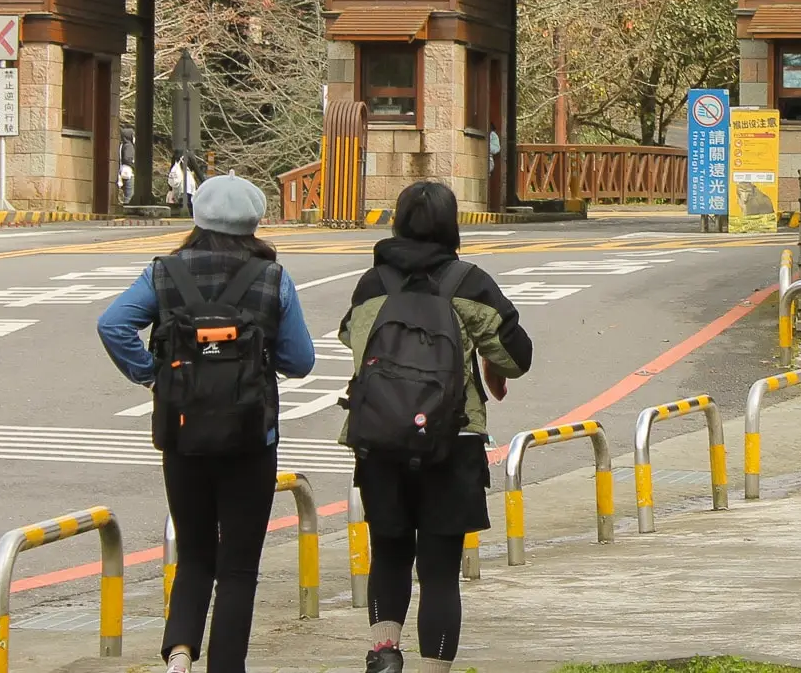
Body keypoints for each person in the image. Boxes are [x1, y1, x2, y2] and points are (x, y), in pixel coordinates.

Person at [97, 174, 315, 673]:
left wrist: (154, 377)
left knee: (195, 553)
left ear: (196, 217)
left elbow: (113, 324)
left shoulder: (164, 273)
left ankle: (178, 654)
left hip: (182, 434)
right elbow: (300, 360)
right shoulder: (272, 278)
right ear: (254, 223)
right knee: (238, 567)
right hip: (250, 440)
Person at [341, 181, 532, 673]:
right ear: (453, 226)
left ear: (398, 222)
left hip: (380, 439)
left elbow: (351, 339)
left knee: (389, 553)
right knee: (441, 572)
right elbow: (517, 356)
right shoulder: (469, 283)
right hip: (454, 440)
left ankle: (384, 656)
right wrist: (486, 364)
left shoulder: (372, 284)